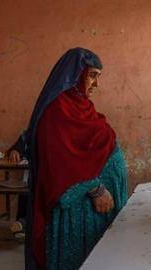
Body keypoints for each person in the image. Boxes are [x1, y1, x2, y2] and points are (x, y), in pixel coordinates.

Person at [23, 48, 128, 270]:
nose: (96, 84)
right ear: (74, 74)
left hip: (95, 212)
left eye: (98, 76)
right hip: (77, 211)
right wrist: (95, 189)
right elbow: (58, 161)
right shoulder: (56, 111)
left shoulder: (80, 106)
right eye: (92, 75)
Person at [5, 132, 28, 239]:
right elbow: (15, 148)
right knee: (27, 187)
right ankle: (22, 224)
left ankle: (23, 224)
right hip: (34, 174)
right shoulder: (32, 132)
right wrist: (14, 151)